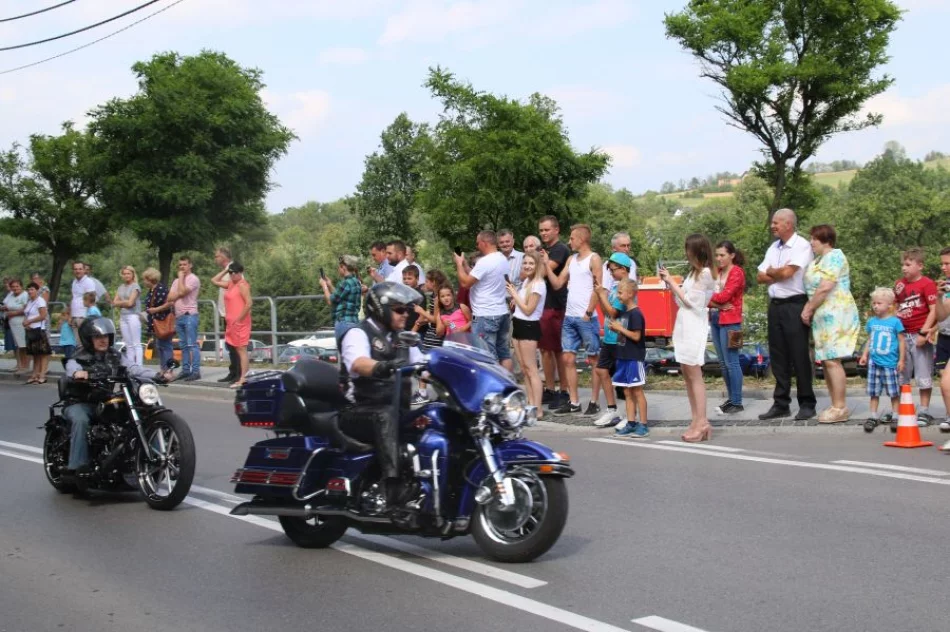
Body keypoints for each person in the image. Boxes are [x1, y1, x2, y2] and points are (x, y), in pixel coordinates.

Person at [339, 282, 425, 511]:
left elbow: (423, 369)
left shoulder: (405, 338)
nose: (405, 314)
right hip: (359, 410)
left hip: (398, 406)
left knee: (436, 414)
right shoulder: (358, 333)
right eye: (399, 310)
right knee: (385, 416)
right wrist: (383, 366)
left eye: (407, 310)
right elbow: (358, 363)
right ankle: (393, 486)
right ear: (381, 308)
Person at [62, 318, 174, 478]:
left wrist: (158, 375)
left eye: (106, 336)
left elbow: (134, 369)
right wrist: (78, 373)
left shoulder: (115, 355)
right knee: (81, 420)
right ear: (88, 339)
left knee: (136, 415)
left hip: (104, 401)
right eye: (98, 337)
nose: (103, 340)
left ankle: (150, 457)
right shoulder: (78, 357)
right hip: (80, 402)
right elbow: (71, 368)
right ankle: (77, 467)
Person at [756, 208, 817, 421]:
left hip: (795, 304)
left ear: (788, 224)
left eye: (776, 222)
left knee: (799, 355)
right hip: (775, 306)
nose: (772, 226)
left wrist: (775, 272)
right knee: (778, 356)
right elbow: (759, 277)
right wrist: (777, 273)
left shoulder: (802, 246)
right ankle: (781, 403)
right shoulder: (773, 247)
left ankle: (807, 402)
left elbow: (787, 273)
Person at [660, 234, 716, 442]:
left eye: (688, 249)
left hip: (694, 324)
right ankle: (695, 419)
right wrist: (673, 285)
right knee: (687, 373)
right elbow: (681, 299)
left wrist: (671, 282)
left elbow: (692, 302)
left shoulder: (706, 274)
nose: (686, 253)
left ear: (697, 251)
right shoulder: (694, 273)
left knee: (694, 374)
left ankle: (702, 422)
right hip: (684, 323)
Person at [801, 225, 860, 423]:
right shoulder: (817, 261)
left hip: (836, 313)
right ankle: (835, 403)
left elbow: (825, 287)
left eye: (814, 239)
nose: (811, 243)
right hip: (822, 315)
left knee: (833, 359)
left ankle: (840, 406)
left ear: (825, 240)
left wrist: (808, 308)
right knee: (826, 360)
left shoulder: (835, 256)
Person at [542, 224, 603, 416]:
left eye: (572, 238)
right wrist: (545, 264)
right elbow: (558, 282)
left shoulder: (594, 259)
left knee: (593, 359)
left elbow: (597, 287)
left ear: (582, 239)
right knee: (568, 358)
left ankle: (593, 401)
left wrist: (589, 311)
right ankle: (574, 401)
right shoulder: (571, 258)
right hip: (569, 317)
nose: (569, 242)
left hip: (586, 317)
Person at [590, 232, 639, 416]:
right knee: (602, 370)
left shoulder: (623, 288)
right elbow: (606, 312)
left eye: (613, 270)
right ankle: (612, 409)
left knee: (625, 379)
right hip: (610, 337)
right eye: (609, 270)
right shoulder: (612, 287)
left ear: (623, 269)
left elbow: (613, 312)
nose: (610, 273)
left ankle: (630, 415)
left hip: (621, 337)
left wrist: (601, 295)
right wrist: (602, 295)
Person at [453, 230, 513, 370]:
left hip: (485, 315)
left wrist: (457, 264)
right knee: (504, 353)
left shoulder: (485, 262)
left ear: (484, 243)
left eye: (477, 243)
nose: (477, 246)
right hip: (502, 312)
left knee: (486, 355)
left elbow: (465, 283)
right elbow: (478, 276)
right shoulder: (502, 258)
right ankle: (508, 384)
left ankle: (492, 387)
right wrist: (465, 266)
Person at [894, 247, 938, 425]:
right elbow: (895, 305)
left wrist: (923, 332)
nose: (904, 268)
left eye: (908, 264)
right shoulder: (900, 284)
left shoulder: (927, 284)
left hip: (919, 334)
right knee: (902, 374)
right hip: (903, 335)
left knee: (923, 374)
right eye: (902, 265)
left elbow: (934, 310)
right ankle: (904, 408)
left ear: (920, 265)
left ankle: (925, 410)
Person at [508, 252, 547, 418]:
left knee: (532, 369)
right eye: (525, 263)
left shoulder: (538, 284)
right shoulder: (527, 281)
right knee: (524, 369)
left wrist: (514, 295)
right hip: (517, 324)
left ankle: (538, 408)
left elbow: (529, 310)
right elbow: (521, 306)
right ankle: (530, 404)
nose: (527, 266)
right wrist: (516, 299)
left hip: (529, 326)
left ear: (537, 265)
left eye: (531, 263)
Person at [709, 241, 747, 414]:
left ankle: (737, 401)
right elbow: (702, 295)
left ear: (731, 255)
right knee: (723, 364)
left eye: (722, 255)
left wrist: (711, 300)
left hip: (731, 321)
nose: (718, 258)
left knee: (732, 362)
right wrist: (713, 302)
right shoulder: (718, 272)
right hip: (716, 318)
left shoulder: (737, 272)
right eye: (717, 255)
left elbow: (725, 296)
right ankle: (731, 399)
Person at [537, 216, 571, 409]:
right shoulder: (541, 251)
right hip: (542, 306)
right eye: (541, 230)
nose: (543, 233)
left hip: (556, 305)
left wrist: (537, 266)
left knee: (558, 350)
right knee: (545, 350)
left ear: (556, 230)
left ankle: (564, 390)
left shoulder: (560, 250)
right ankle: (550, 389)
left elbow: (539, 273)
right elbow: (526, 272)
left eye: (546, 230)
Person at [859, 288, 905, 427]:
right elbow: (870, 339)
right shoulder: (872, 322)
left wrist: (901, 359)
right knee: (874, 392)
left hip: (890, 363)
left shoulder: (895, 322)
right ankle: (873, 415)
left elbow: (902, 341)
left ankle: (896, 415)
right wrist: (864, 354)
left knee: (894, 392)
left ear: (889, 305)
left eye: (879, 303)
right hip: (874, 362)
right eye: (874, 303)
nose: (875, 306)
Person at [609, 279, 649, 438]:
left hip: (634, 357)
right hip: (623, 356)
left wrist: (620, 328)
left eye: (620, 292)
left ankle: (643, 424)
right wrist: (617, 330)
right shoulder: (625, 313)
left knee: (637, 390)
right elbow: (625, 335)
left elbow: (636, 336)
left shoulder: (636, 314)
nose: (617, 295)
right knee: (627, 391)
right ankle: (631, 422)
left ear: (630, 294)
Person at [211, 262, 252, 388]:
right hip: (231, 322)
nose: (232, 274)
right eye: (231, 272)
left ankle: (243, 377)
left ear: (240, 273)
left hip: (240, 322)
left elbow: (249, 303)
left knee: (241, 349)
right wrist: (225, 270)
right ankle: (241, 376)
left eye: (235, 272)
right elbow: (214, 280)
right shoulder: (230, 284)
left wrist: (239, 319)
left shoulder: (242, 285)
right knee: (235, 348)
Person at [166, 256, 201, 381]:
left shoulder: (193, 279)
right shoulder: (176, 281)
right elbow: (170, 297)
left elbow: (183, 292)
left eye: (184, 264)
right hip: (179, 315)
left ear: (190, 265)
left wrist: (181, 278)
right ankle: (186, 370)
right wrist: (178, 292)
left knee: (192, 344)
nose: (182, 267)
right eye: (180, 265)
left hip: (189, 315)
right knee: (183, 345)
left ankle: (196, 371)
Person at [321, 255, 363, 345]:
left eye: (339, 267)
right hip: (354, 322)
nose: (338, 270)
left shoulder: (345, 283)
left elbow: (330, 301)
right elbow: (339, 296)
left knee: (344, 353)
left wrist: (324, 286)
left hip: (343, 323)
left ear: (343, 267)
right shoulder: (356, 282)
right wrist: (330, 285)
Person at [214, 247, 240, 383]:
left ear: (224, 256)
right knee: (230, 345)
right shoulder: (226, 271)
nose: (215, 259)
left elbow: (237, 287)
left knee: (235, 345)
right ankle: (233, 371)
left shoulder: (233, 269)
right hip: (226, 313)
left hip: (233, 313)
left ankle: (238, 374)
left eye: (217, 256)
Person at [142, 268, 174, 369]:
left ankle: (168, 370)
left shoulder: (161, 289)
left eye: (145, 279)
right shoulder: (152, 290)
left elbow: (170, 303)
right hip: (156, 322)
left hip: (163, 320)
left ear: (150, 279)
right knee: (160, 346)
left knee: (166, 346)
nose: (144, 282)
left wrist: (155, 310)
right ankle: (164, 369)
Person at [113, 266, 144, 367]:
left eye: (128, 273)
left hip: (133, 315)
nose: (126, 275)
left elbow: (131, 303)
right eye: (124, 274)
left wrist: (122, 303)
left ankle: (139, 366)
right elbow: (114, 302)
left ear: (133, 275)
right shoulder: (121, 287)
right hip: (123, 316)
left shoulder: (135, 287)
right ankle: (130, 366)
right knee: (128, 344)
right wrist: (124, 303)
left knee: (136, 343)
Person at [22, 282, 52, 384]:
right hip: (30, 330)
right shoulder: (30, 301)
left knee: (42, 353)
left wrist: (30, 321)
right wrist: (25, 323)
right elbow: (27, 314)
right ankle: (34, 374)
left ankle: (42, 375)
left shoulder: (40, 301)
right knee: (34, 354)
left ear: (37, 291)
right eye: (29, 289)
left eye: (32, 289)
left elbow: (43, 315)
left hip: (39, 329)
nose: (30, 291)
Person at [936, 248, 950, 433]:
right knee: (944, 379)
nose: (943, 267)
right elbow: (941, 315)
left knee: (946, 382)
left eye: (947, 263)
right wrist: (938, 297)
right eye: (943, 263)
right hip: (945, 335)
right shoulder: (947, 285)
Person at [1, 278, 29, 375]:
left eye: (17, 286)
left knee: (24, 346)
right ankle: (21, 366)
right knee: (19, 346)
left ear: (21, 286)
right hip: (13, 324)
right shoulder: (11, 295)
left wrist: (13, 313)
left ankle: (25, 366)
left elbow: (26, 309)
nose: (15, 288)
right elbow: (6, 305)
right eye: (13, 286)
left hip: (22, 322)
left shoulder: (25, 295)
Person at [70, 261, 96, 336]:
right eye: (75, 269)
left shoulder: (89, 282)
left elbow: (92, 300)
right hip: (75, 316)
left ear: (84, 270)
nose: (77, 271)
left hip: (84, 316)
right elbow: (73, 298)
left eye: (80, 269)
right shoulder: (74, 282)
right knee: (78, 344)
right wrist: (70, 316)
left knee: (85, 341)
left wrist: (90, 317)